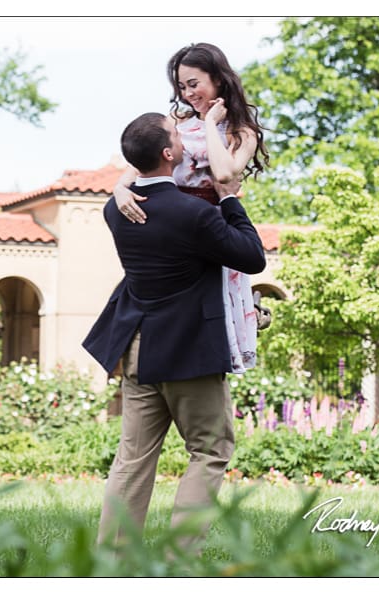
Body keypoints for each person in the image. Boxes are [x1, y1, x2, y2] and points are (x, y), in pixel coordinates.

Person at [82, 112, 266, 553]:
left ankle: (113, 557)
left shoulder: (117, 208)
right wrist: (230, 198)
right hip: (188, 353)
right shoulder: (193, 214)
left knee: (133, 457)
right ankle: (178, 556)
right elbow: (251, 257)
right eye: (175, 133)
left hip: (138, 350)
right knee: (210, 449)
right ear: (169, 153)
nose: (184, 137)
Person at [115, 42, 270, 373]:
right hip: (172, 226)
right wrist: (118, 190)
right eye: (182, 87)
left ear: (217, 78)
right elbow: (135, 169)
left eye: (194, 84)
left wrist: (211, 122)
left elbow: (226, 173)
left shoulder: (241, 132)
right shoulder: (176, 122)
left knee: (212, 308)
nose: (187, 94)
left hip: (210, 228)